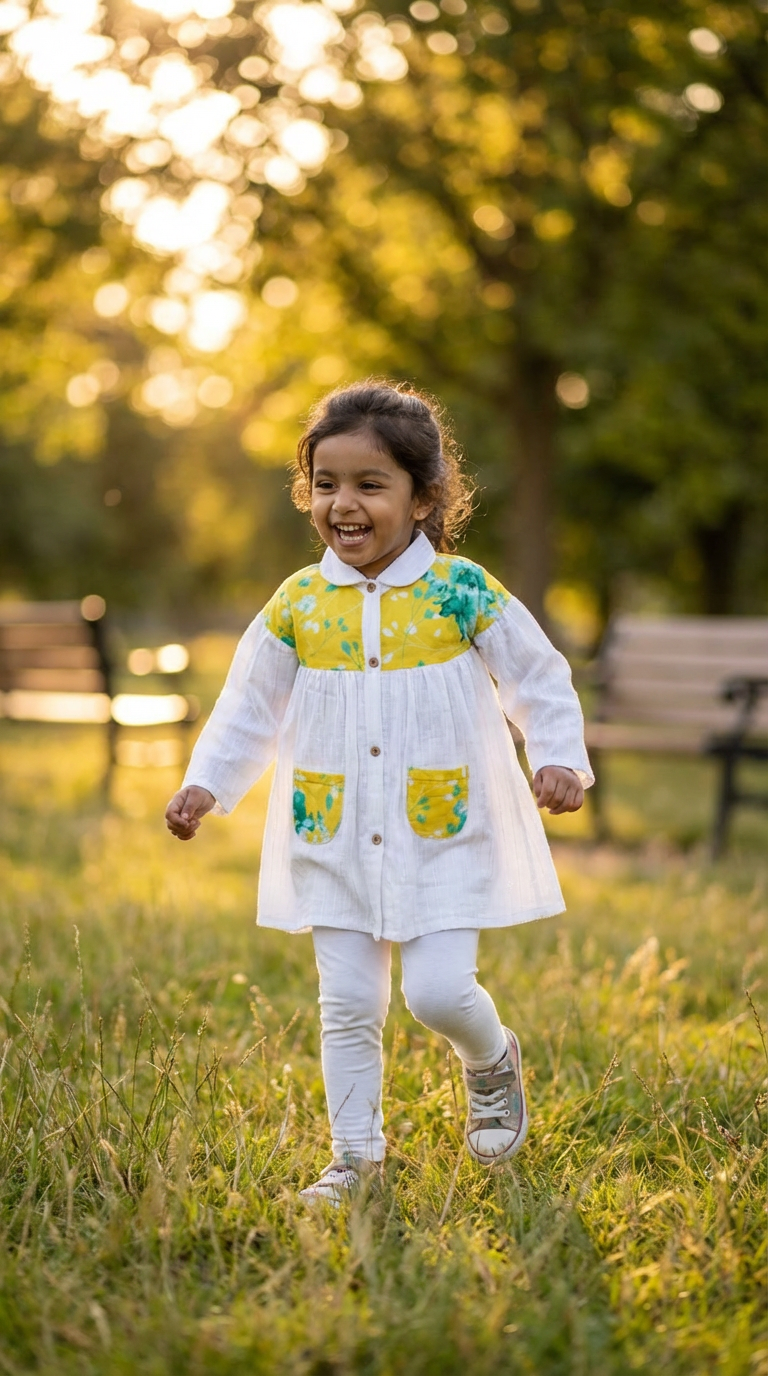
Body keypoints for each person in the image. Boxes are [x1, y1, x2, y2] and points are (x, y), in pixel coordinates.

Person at [165, 381, 593, 1204]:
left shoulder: (461, 590)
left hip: (442, 831)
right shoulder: (299, 602)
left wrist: (559, 759)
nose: (343, 504)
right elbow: (248, 705)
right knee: (349, 1003)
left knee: (436, 992)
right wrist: (205, 783)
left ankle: (489, 1058)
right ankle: (355, 1160)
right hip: (332, 833)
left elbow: (538, 678)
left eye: (370, 484)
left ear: (423, 497)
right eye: (326, 483)